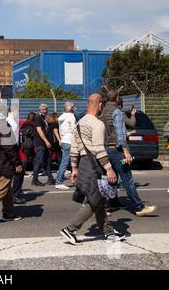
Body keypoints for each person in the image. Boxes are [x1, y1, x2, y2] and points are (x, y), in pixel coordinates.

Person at [60, 93, 126, 245]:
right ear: (101, 104)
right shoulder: (97, 124)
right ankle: (70, 229)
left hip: (83, 163)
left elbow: (74, 148)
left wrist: (74, 168)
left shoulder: (79, 123)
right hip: (93, 164)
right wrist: (109, 169)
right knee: (95, 199)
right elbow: (98, 149)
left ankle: (108, 233)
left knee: (99, 199)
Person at [100, 90, 157, 217]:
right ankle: (139, 207)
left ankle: (113, 202)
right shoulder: (117, 112)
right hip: (117, 150)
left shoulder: (103, 112)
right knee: (127, 178)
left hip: (106, 149)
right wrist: (126, 152)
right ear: (117, 98)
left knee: (111, 178)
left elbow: (107, 131)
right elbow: (119, 135)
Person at [55, 102, 77, 190]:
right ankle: (59, 182)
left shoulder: (62, 117)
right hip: (69, 141)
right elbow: (74, 130)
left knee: (66, 162)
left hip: (64, 140)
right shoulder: (71, 117)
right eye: (74, 107)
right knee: (66, 162)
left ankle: (61, 180)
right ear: (71, 108)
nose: (75, 108)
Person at [32, 104, 55, 186]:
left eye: (46, 109)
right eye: (43, 109)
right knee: (39, 161)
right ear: (39, 110)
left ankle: (50, 178)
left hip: (45, 144)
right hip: (40, 143)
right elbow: (39, 130)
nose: (45, 111)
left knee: (48, 161)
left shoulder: (44, 118)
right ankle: (34, 180)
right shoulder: (38, 118)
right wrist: (46, 141)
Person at [8, 104, 26, 204]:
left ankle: (12, 193)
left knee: (12, 173)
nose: (18, 113)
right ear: (13, 111)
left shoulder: (10, 121)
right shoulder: (12, 123)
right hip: (13, 150)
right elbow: (12, 140)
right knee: (19, 172)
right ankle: (15, 195)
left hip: (12, 150)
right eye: (17, 111)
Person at [45, 113, 61, 184]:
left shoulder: (49, 125)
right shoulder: (55, 124)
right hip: (55, 144)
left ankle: (50, 177)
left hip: (50, 143)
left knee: (48, 161)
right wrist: (60, 140)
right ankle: (60, 175)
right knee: (60, 160)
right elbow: (55, 132)